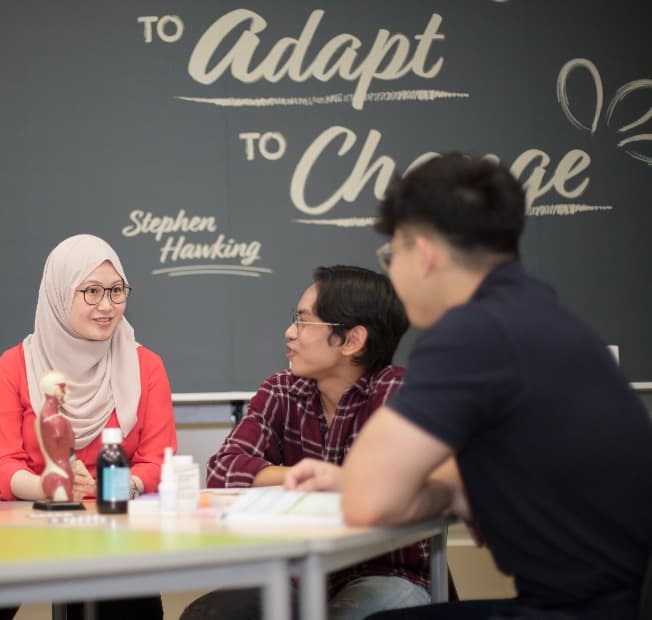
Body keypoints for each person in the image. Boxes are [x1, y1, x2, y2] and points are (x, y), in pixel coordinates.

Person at [285, 154, 652, 619]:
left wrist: (385, 484)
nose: (394, 275)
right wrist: (447, 486)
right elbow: (465, 483)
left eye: (392, 257)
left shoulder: (472, 333)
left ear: (424, 254)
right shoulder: (535, 315)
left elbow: (366, 501)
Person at [182, 265, 429, 620]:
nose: (289, 333)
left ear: (351, 341)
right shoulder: (282, 389)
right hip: (299, 573)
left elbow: (395, 486)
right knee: (208, 614)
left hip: (384, 571)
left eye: (303, 321)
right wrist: (306, 477)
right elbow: (223, 470)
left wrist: (284, 479)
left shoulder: (396, 391)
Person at [0, 233, 177, 620]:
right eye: (91, 291)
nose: (106, 306)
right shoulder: (14, 365)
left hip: (112, 511)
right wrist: (50, 487)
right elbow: (3, 464)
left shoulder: (146, 366)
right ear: (59, 293)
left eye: (116, 291)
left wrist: (115, 487)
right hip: (26, 506)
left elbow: (157, 460)